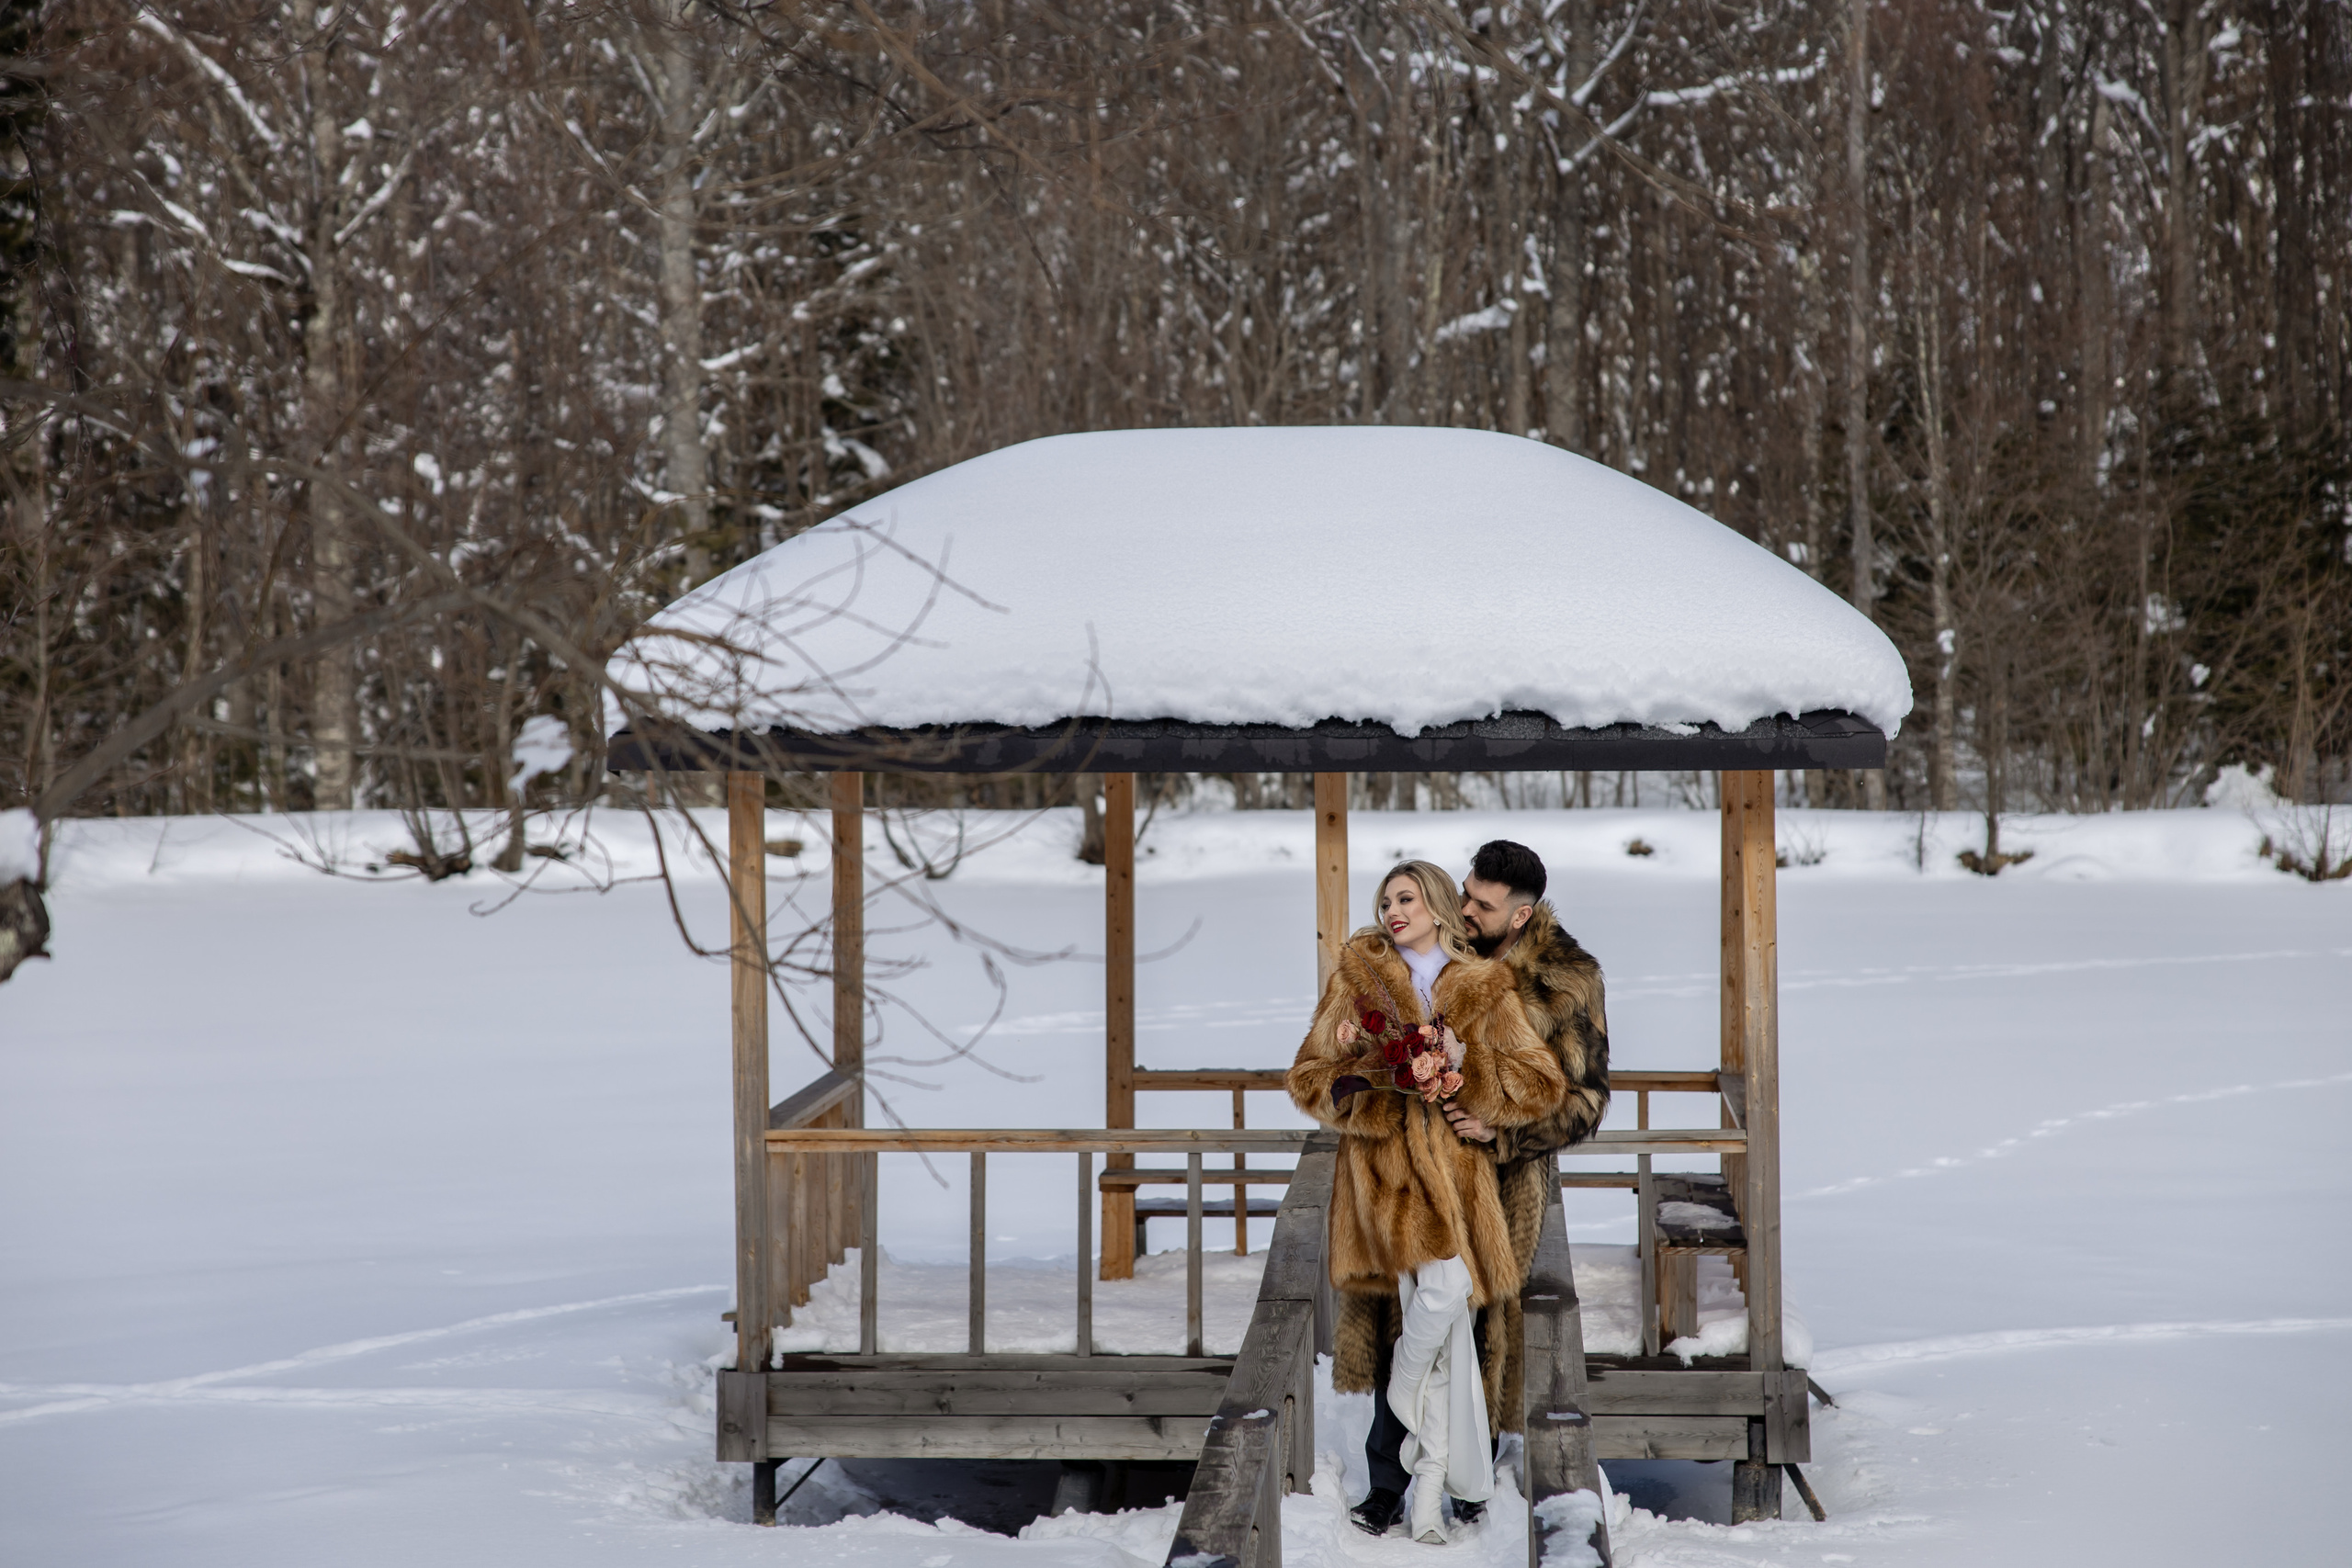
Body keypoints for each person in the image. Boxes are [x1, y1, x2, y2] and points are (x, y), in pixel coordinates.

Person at [1286, 860, 1567, 1544]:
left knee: (1457, 1333)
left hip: (1460, 1189)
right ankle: (1391, 1486)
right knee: (1397, 1333)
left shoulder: (1482, 986)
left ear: (1439, 906)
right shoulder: (1357, 981)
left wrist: (1469, 1082)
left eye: (1406, 898)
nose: (1392, 910)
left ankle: (1457, 1482)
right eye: (1385, 900)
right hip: (1383, 1188)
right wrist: (1376, 1083)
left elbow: (1542, 1081)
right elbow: (1307, 1077)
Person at [1338, 840, 1612, 1539]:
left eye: (1481, 904)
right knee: (1407, 1317)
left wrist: (1503, 1131)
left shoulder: (1566, 980)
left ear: (1519, 917)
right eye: (1462, 892)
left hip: (1504, 1179)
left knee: (1480, 1323)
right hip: (1416, 1172)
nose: (1464, 908)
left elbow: (1585, 1099)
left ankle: (1469, 1479)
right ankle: (1386, 1480)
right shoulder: (1434, 952)